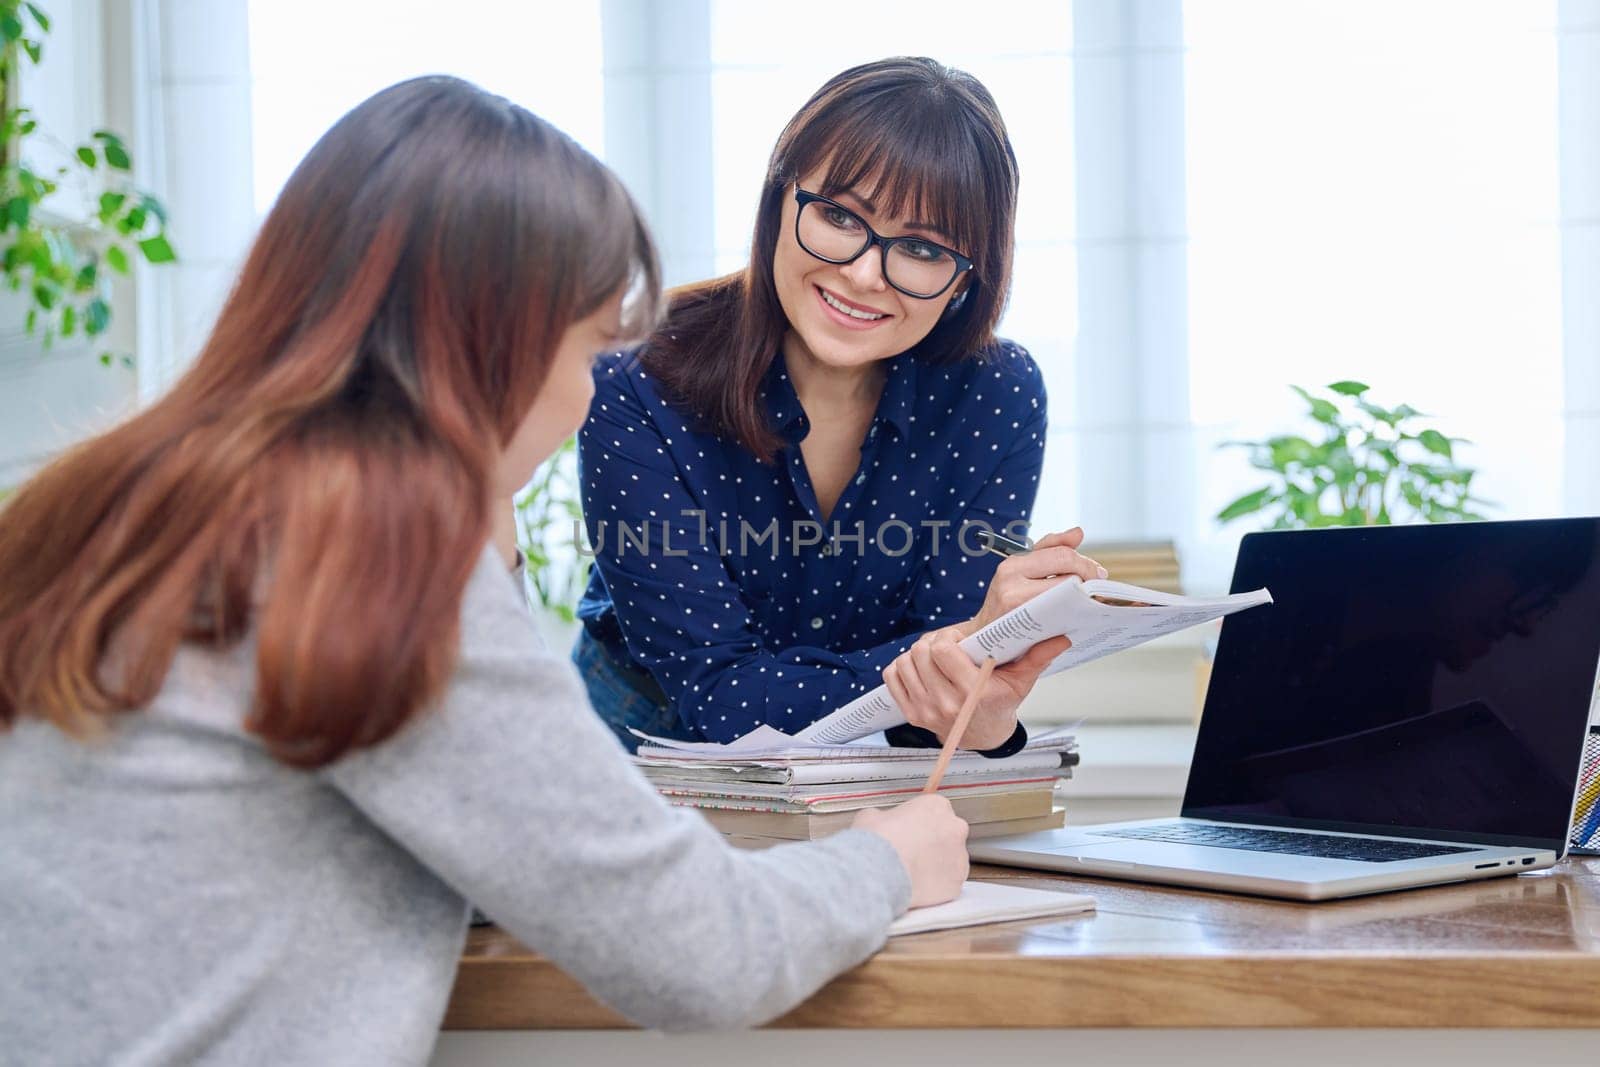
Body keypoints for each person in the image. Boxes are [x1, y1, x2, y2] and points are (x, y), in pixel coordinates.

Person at [0, 77, 975, 1064]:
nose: (592, 393)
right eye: (594, 345)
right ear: (496, 344)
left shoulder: (140, 494)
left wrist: (482, 501)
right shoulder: (370, 552)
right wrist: (888, 859)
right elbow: (703, 952)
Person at [574, 57, 1101, 754]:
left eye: (919, 247)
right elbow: (721, 695)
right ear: (778, 200)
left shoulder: (995, 395)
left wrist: (975, 678)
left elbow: (943, 691)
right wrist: (948, 658)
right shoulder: (636, 377)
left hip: (858, 778)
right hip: (641, 764)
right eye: (838, 215)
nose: (862, 273)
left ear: (967, 279)